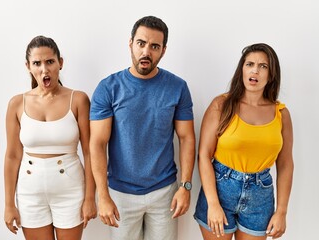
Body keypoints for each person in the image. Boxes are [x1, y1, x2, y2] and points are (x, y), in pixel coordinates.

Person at [89, 16, 195, 240]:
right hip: (120, 193)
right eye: (141, 43)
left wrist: (185, 186)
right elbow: (97, 143)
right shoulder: (108, 88)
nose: (146, 52)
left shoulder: (178, 87)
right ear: (130, 44)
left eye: (154, 46)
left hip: (164, 191)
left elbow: (186, 138)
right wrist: (103, 195)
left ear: (163, 50)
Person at [194, 43, 294, 240]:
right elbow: (204, 155)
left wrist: (281, 211)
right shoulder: (221, 105)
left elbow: (285, 163)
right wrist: (213, 204)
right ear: (242, 69)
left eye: (263, 66)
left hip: (261, 194)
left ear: (271, 74)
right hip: (220, 188)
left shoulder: (281, 113)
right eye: (250, 64)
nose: (255, 70)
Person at [4, 35, 97, 240]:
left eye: (50, 62)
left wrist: (90, 197)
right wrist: (9, 204)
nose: (44, 69)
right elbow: (12, 156)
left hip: (70, 189)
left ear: (60, 63)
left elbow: (91, 152)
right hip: (30, 191)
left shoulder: (78, 99)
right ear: (28, 66)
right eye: (37, 63)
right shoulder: (17, 104)